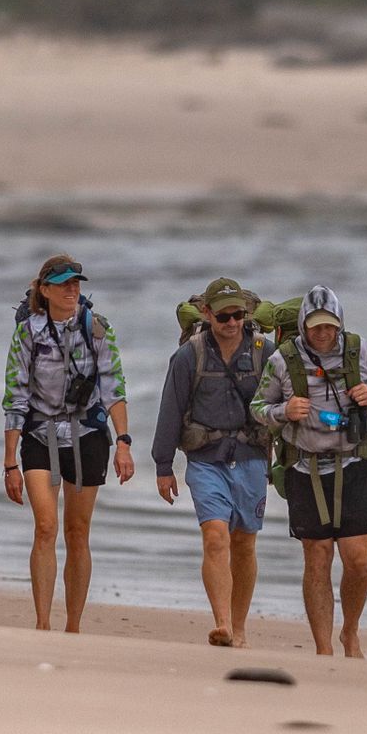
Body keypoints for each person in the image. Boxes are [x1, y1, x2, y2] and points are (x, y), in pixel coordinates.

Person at [256, 285, 367, 657]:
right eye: (316, 327)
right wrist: (284, 411)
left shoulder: (360, 350)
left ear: (339, 324)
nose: (323, 333)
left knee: (358, 561)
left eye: (329, 326)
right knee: (317, 556)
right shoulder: (283, 360)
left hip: (355, 464)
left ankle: (350, 631)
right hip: (305, 468)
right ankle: (323, 649)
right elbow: (257, 406)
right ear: (303, 326)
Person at [0, 253, 131, 633]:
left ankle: (73, 624)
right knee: (45, 525)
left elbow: (114, 387)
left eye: (76, 284)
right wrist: (10, 461)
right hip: (40, 434)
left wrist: (123, 442)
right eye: (64, 284)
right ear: (45, 290)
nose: (72, 290)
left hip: (87, 434)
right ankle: (42, 621)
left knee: (78, 531)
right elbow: (15, 395)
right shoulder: (28, 331)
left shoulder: (97, 327)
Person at [152, 277, 273, 647]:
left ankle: (239, 627)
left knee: (245, 543)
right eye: (223, 316)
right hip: (206, 460)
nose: (231, 322)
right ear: (207, 314)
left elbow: (283, 406)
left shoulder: (263, 352)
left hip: (251, 457)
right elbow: (170, 409)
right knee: (215, 537)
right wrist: (163, 465)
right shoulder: (189, 355)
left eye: (237, 314)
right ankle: (222, 623)